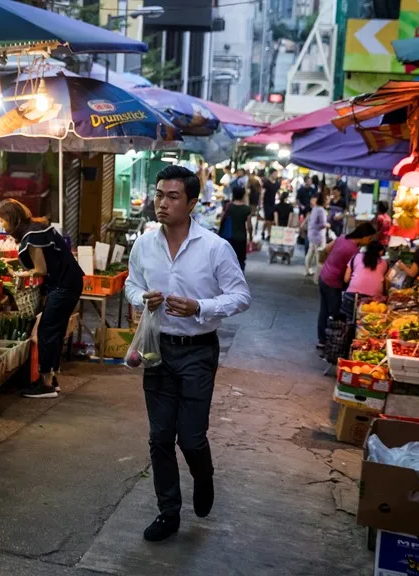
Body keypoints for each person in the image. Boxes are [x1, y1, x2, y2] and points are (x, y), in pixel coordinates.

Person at [125, 165, 251, 542]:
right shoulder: (145, 244)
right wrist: (141, 299)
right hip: (157, 348)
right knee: (160, 436)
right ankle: (168, 512)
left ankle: (203, 475)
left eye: (173, 196)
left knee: (191, 438)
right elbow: (132, 285)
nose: (162, 203)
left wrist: (200, 307)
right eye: (159, 194)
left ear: (193, 202)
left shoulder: (215, 247)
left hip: (198, 351)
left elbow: (241, 296)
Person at [0, 199, 84, 398]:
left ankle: (45, 386)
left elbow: (40, 270)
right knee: (56, 329)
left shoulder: (32, 236)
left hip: (63, 285)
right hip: (70, 281)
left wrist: (17, 275)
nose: (1, 224)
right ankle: (51, 378)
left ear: (12, 219)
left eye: (2, 220)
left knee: (47, 330)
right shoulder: (37, 227)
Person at [317, 223, 376, 349]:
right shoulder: (353, 251)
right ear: (365, 236)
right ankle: (332, 342)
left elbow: (326, 249)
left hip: (324, 276)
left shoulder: (342, 237)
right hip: (333, 282)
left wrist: (329, 263)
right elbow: (350, 274)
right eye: (370, 238)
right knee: (335, 313)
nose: (369, 241)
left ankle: (322, 340)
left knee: (324, 310)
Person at [219, 185, 253, 270]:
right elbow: (249, 225)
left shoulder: (228, 206)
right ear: (243, 195)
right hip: (241, 237)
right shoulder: (246, 209)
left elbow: (221, 220)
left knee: (228, 259)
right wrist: (251, 237)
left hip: (228, 237)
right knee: (240, 260)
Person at [305, 191, 329, 277]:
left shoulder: (315, 208)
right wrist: (328, 225)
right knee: (319, 257)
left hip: (312, 234)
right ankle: (317, 277)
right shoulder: (321, 210)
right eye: (327, 199)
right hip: (318, 236)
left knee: (310, 253)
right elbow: (322, 224)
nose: (328, 200)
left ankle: (307, 270)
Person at [262, 169, 280, 240]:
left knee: (270, 220)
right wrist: (260, 203)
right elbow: (262, 193)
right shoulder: (266, 183)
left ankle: (263, 232)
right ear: (271, 174)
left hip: (273, 203)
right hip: (266, 203)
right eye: (275, 174)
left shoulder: (277, 183)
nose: (276, 175)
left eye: (276, 174)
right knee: (268, 220)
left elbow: (278, 192)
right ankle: (269, 234)